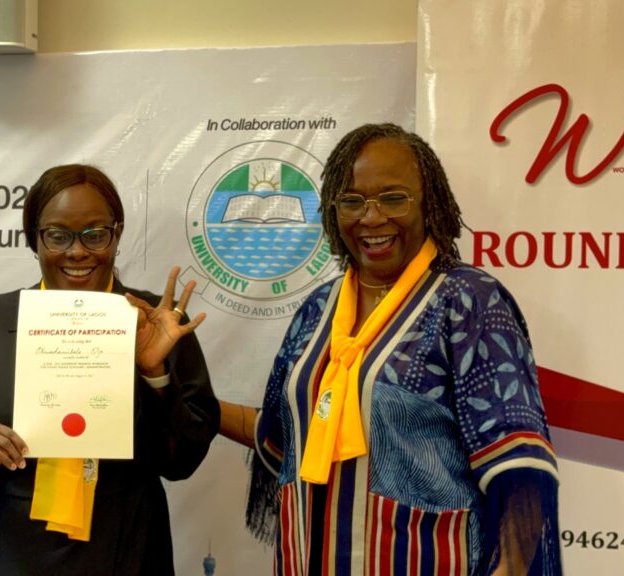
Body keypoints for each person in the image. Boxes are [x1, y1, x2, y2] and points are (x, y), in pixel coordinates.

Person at [218, 124, 561, 575]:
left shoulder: (467, 302)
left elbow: (517, 464)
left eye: (393, 198)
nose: (371, 218)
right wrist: (168, 382)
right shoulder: (318, 309)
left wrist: (509, 570)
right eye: (352, 201)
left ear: (429, 203)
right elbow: (282, 436)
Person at [0, 164, 219, 575]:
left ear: (117, 235)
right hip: (3, 550)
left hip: (125, 551)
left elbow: (183, 461)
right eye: (58, 236)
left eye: (95, 234)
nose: (77, 251)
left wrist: (155, 373)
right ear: (34, 239)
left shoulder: (155, 324)